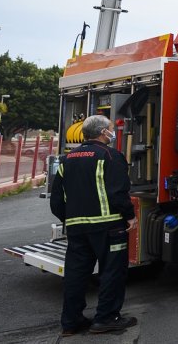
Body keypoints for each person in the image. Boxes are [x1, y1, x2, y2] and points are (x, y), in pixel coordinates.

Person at [49, 114, 138, 336]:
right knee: (112, 272)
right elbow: (118, 193)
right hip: (109, 228)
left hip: (77, 229)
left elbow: (57, 200)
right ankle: (106, 318)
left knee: (76, 275)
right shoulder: (110, 156)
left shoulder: (67, 159)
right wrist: (130, 216)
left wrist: (69, 220)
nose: (112, 131)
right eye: (110, 128)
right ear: (102, 133)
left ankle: (71, 322)